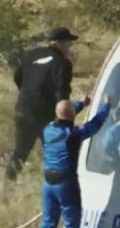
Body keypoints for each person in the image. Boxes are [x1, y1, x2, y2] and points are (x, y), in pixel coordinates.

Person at [34, 95, 112, 228]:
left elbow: (65, 115)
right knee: (71, 225)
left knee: (47, 224)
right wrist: (106, 106)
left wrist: (81, 104)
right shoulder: (73, 134)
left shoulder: (47, 129)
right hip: (65, 183)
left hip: (48, 183)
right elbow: (95, 124)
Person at [5, 27, 79, 183]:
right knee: (57, 152)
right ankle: (57, 187)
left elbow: (18, 77)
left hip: (23, 109)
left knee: (20, 153)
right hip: (43, 115)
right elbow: (62, 93)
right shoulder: (63, 64)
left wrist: (27, 94)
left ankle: (7, 189)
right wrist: (64, 119)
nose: (69, 46)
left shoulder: (32, 54)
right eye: (68, 42)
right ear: (59, 43)